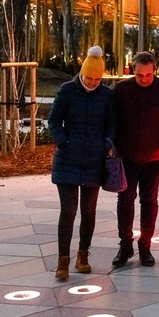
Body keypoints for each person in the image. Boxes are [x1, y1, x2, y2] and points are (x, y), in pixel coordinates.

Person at [48, 46, 116, 280]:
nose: (93, 82)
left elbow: (112, 124)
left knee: (89, 211)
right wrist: (63, 141)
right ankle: (63, 260)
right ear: (82, 73)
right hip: (67, 158)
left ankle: (83, 255)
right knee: (68, 210)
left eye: (98, 79)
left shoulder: (106, 95)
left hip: (94, 160)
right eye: (89, 78)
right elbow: (53, 120)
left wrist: (106, 143)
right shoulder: (67, 90)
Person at [112, 52, 159, 268]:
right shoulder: (121, 90)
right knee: (125, 199)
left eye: (148, 75)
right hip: (126, 155)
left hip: (154, 156)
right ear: (132, 71)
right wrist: (114, 144)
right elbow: (111, 117)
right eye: (139, 75)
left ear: (155, 71)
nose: (144, 79)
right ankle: (125, 244)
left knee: (149, 200)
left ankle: (145, 245)